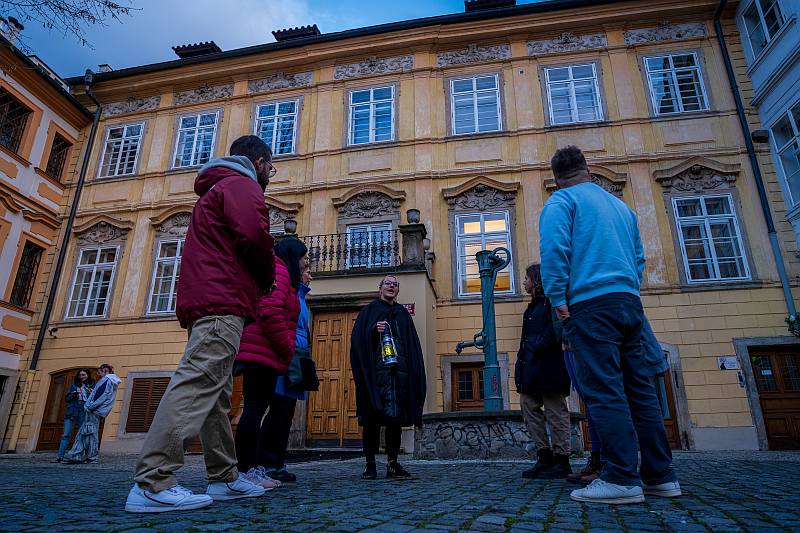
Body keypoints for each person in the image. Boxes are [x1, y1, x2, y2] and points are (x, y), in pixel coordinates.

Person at [126, 135, 277, 513]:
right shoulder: (242, 184)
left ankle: (224, 477)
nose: (271, 174)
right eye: (271, 167)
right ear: (259, 161)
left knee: (215, 393)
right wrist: (267, 275)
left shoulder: (219, 187)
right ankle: (153, 481)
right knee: (198, 383)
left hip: (212, 298)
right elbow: (255, 236)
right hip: (222, 298)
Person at [539, 145, 680, 505]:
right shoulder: (620, 206)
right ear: (588, 169)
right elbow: (637, 256)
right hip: (628, 302)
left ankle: (620, 478)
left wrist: (557, 298)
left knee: (604, 390)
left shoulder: (562, 202)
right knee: (641, 391)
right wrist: (626, 287)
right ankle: (660, 477)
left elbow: (555, 251)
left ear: (557, 177)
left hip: (590, 304)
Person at [234, 237, 307, 489]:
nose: (306, 262)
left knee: (255, 410)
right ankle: (244, 471)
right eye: (303, 257)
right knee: (254, 411)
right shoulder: (280, 270)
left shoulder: (277, 270)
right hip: (261, 352)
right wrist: (287, 348)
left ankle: (249, 469)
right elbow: (270, 311)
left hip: (261, 351)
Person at [350, 274, 426, 480]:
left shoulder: (402, 313)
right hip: (376, 376)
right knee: (371, 420)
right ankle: (370, 464)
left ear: (398, 290)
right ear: (380, 288)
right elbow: (358, 342)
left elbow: (411, 345)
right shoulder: (369, 311)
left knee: (395, 420)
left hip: (397, 377)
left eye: (395, 284)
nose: (391, 287)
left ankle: (393, 464)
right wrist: (374, 331)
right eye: (388, 284)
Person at [515, 264, 571, 480]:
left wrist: (539, 344)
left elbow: (556, 328)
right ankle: (544, 456)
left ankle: (562, 459)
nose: (524, 282)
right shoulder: (532, 307)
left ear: (536, 280)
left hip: (550, 364)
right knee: (528, 405)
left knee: (556, 411)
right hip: (532, 366)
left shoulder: (551, 301)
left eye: (527, 278)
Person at [259, 264, 314, 483]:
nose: (310, 274)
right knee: (278, 411)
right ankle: (265, 461)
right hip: (287, 356)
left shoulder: (300, 296)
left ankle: (276, 462)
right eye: (307, 268)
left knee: (285, 412)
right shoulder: (290, 292)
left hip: (296, 356)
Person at [64, 364, 120, 464]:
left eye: (100, 371)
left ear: (105, 370)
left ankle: (89, 457)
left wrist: (89, 406)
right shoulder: (111, 381)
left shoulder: (106, 380)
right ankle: (77, 455)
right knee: (85, 432)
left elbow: (102, 396)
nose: (98, 374)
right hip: (97, 411)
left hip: (93, 411)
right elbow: (102, 395)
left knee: (90, 433)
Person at [54, 368, 94, 462]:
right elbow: (67, 399)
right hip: (72, 411)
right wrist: (73, 395)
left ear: (88, 375)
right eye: (80, 375)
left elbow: (95, 399)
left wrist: (91, 393)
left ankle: (78, 456)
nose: (81, 377)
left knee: (81, 434)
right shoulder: (74, 385)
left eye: (83, 375)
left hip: (84, 411)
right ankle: (60, 456)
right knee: (66, 434)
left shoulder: (92, 385)